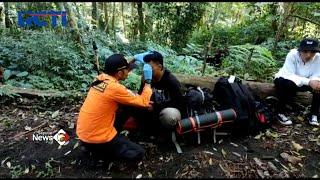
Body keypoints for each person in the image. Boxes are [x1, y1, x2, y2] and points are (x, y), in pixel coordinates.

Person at [76, 53, 153, 162]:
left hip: (84, 134)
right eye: (127, 69)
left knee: (128, 105)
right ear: (120, 73)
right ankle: (99, 154)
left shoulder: (99, 80)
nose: (129, 71)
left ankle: (90, 146)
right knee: (139, 153)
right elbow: (144, 102)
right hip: (97, 138)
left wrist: (132, 62)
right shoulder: (115, 89)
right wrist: (148, 82)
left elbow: (119, 74)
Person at [132, 51, 188, 139]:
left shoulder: (171, 81)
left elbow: (179, 103)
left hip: (167, 110)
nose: (147, 71)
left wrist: (156, 107)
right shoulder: (147, 78)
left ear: (160, 67)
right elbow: (141, 95)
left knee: (169, 115)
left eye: (150, 68)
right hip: (152, 109)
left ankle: (167, 136)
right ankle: (145, 133)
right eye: (146, 67)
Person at [274, 38, 320, 126]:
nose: (309, 55)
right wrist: (309, 82)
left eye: (312, 52)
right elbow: (289, 75)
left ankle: (314, 115)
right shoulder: (292, 55)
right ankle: (279, 112)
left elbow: (317, 74)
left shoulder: (318, 58)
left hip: (305, 81)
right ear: (300, 51)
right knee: (288, 84)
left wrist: (316, 81)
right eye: (305, 51)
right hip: (285, 78)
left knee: (318, 87)